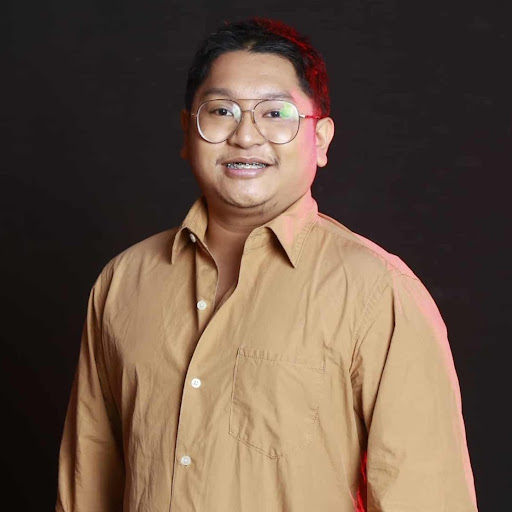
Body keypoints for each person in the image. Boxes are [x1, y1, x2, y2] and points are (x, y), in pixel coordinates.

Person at [56, 18, 478, 512]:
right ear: (187, 132)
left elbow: (428, 497)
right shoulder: (124, 282)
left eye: (276, 113)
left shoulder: (377, 292)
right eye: (222, 111)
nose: (245, 135)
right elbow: (86, 486)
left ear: (321, 139)